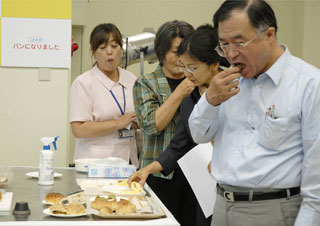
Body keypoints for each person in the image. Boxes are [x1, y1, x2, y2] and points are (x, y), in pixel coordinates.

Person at [189, 1, 320, 226]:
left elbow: (316, 180)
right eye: (224, 45)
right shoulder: (226, 82)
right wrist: (210, 100)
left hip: (273, 210)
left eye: (239, 43)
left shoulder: (308, 84)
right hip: (221, 205)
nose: (230, 54)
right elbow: (198, 135)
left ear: (269, 34)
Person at [129, 25, 229, 226]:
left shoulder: (236, 88)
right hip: (203, 184)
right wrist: (148, 169)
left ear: (214, 64)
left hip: (235, 186)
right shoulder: (190, 97)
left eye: (192, 67)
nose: (187, 73)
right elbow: (180, 144)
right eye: (184, 66)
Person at [132, 20, 195, 225]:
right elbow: (150, 124)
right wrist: (179, 93)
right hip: (158, 174)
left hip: (196, 173)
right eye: (176, 52)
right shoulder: (146, 83)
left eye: (186, 51)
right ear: (161, 52)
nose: (181, 58)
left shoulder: (200, 80)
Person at [69, 23, 139, 166]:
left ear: (121, 49)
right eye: (102, 47)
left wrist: (137, 122)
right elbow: (78, 129)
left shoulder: (132, 79)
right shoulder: (84, 83)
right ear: (93, 52)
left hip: (129, 160)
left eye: (114, 46)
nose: (109, 52)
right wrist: (118, 123)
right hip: (95, 163)